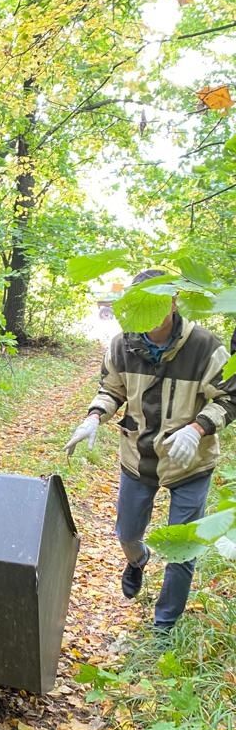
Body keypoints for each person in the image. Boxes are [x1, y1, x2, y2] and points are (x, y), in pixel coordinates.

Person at [65, 269, 236, 631]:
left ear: (174, 301)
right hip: (138, 457)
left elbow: (230, 397)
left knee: (183, 550)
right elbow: (112, 389)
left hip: (191, 463)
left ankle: (164, 626)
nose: (150, 311)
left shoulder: (206, 346)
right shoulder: (122, 344)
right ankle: (138, 560)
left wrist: (198, 427)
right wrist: (94, 416)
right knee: (127, 532)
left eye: (159, 301)